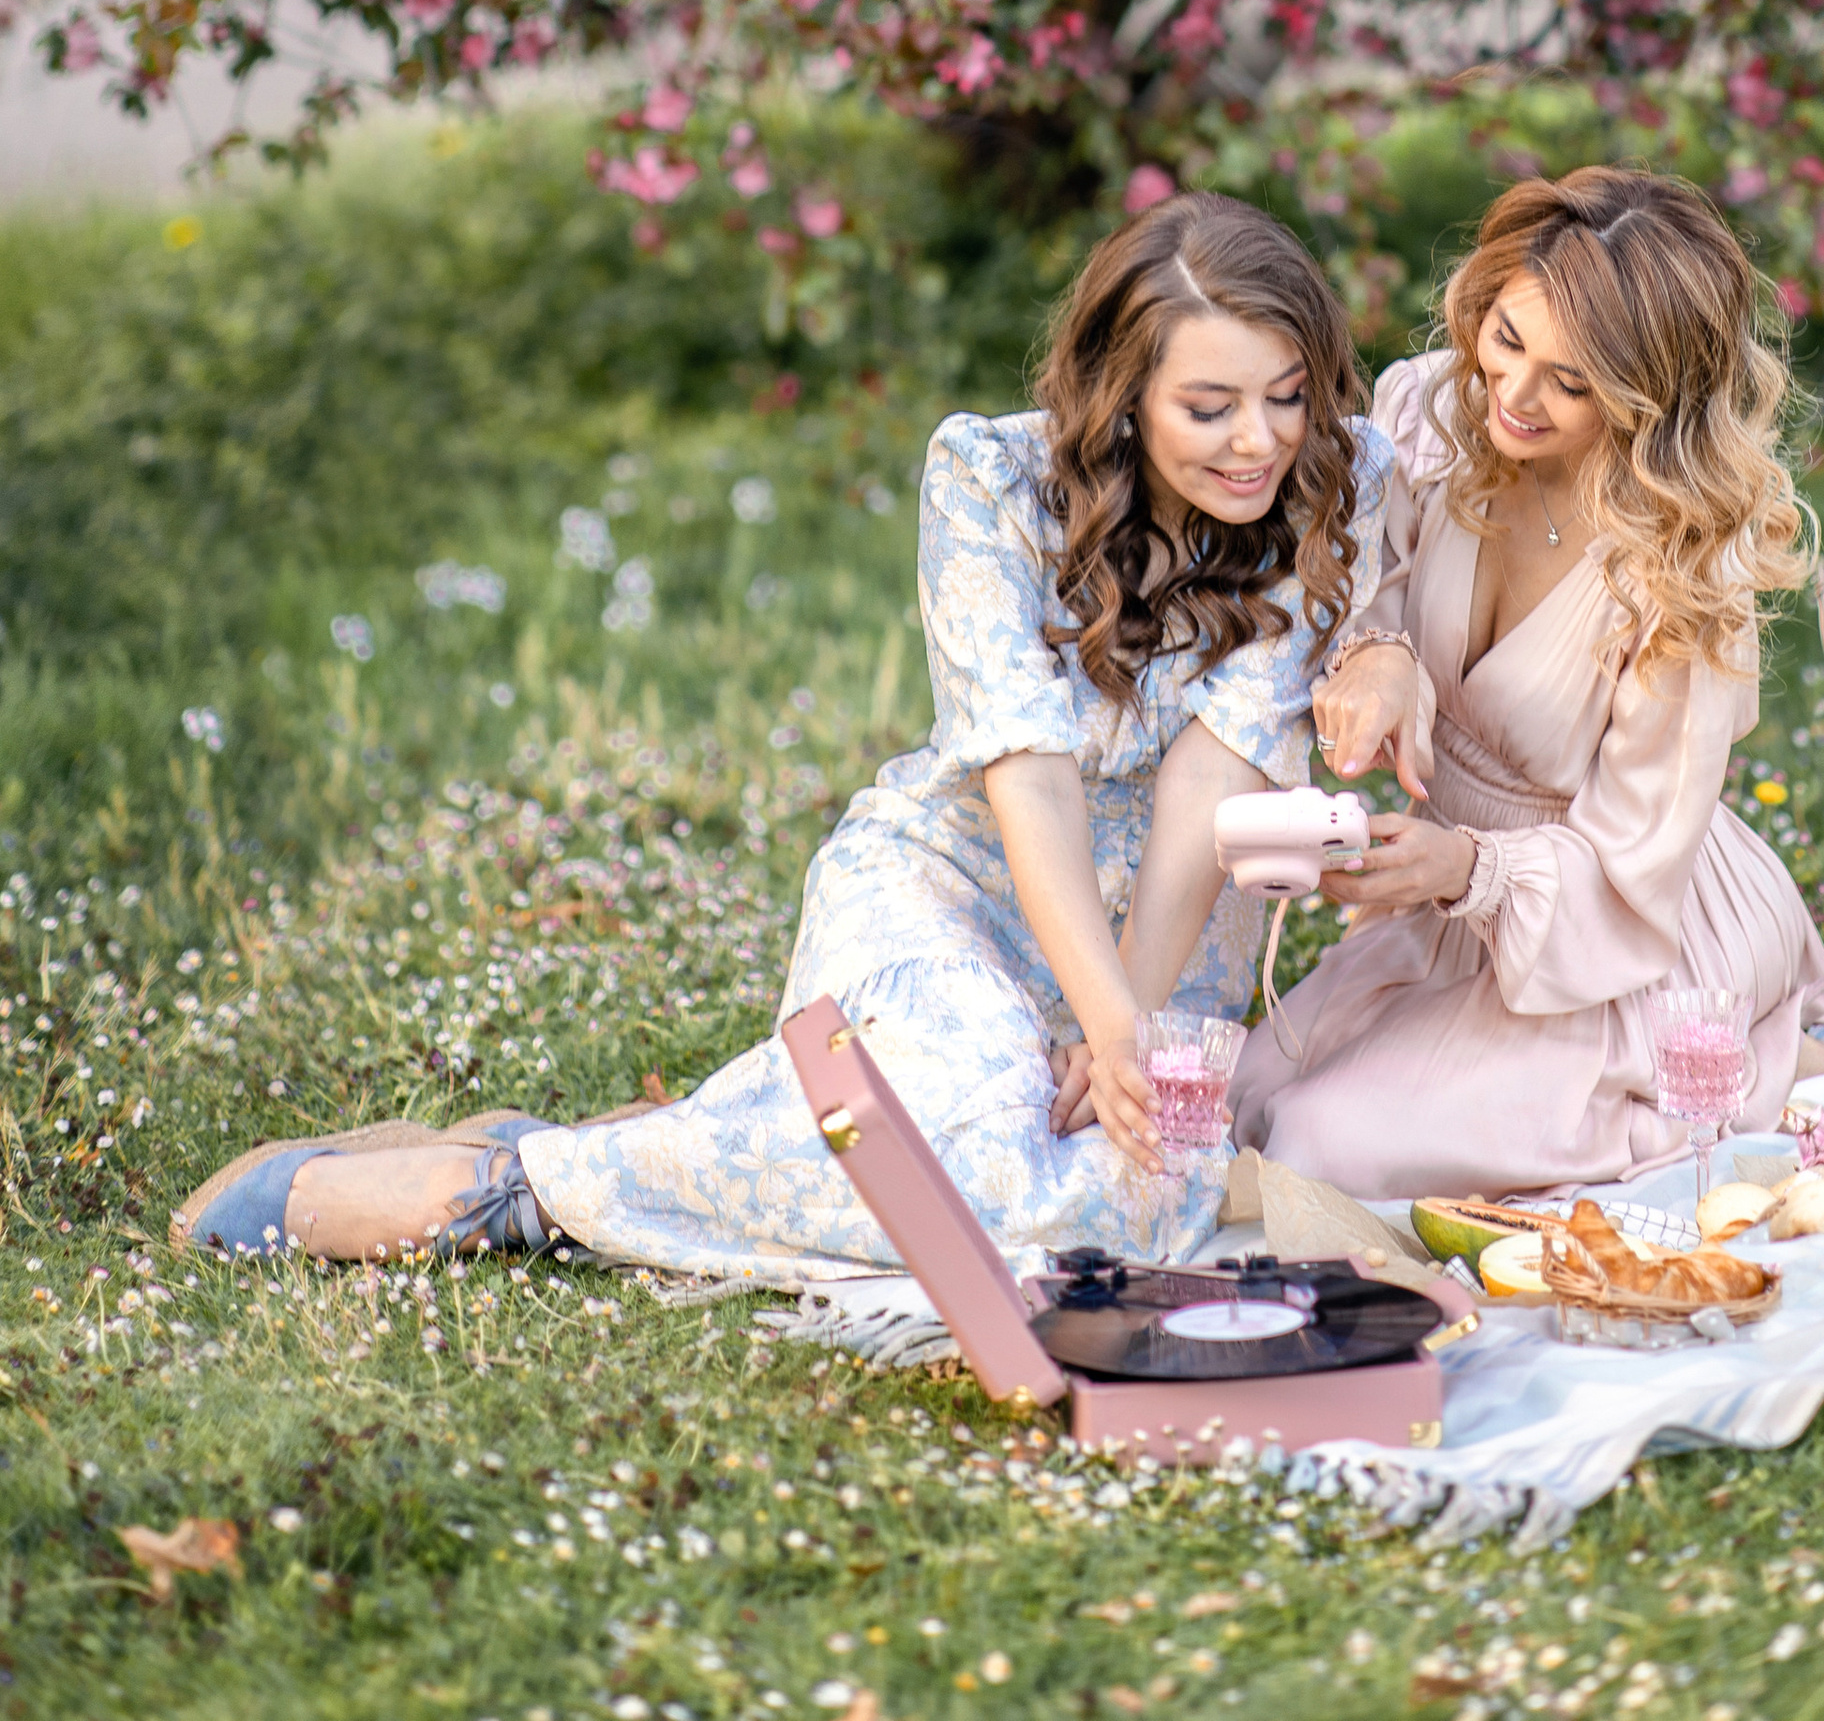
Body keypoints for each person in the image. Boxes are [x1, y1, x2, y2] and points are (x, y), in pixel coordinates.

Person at [175, 192, 1395, 1278]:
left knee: (1111, 1219)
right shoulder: (989, 482)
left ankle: (611, 1164)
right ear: (1122, 396)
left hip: (1166, 938)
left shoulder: (1335, 488)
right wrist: (1108, 1033)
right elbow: (1029, 783)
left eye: (1287, 396)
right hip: (959, 880)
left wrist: (1120, 1030)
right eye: (1210, 405)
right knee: (958, 1150)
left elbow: (1205, 794)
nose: (1261, 440)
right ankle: (501, 1194)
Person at [1233, 165, 1824, 1200]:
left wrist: (1466, 871)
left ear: (1650, 397)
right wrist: (1380, 658)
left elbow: (1630, 860)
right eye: (1507, 338)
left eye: (1573, 382)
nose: (1516, 396)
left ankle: (1745, 1068)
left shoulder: (1682, 565)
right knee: (1243, 1104)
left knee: (1317, 1145)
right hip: (1447, 916)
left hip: (1622, 930)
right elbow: (1366, 584)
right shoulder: (1432, 417)